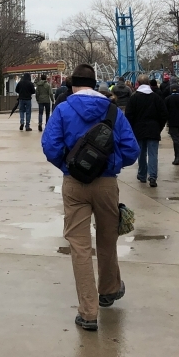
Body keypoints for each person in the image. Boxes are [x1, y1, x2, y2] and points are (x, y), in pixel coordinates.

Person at [41, 63, 139, 332]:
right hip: (107, 183)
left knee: (80, 246)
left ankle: (88, 312)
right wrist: (112, 164)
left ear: (72, 84)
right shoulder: (112, 110)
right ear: (95, 84)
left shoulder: (63, 109)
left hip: (74, 183)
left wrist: (68, 165)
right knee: (108, 238)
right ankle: (108, 290)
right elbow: (132, 150)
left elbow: (50, 146)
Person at [124, 73, 168, 187]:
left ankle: (142, 174)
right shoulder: (156, 98)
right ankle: (152, 176)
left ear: (137, 83)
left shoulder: (134, 98)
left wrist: (131, 128)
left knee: (141, 153)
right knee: (153, 154)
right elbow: (164, 115)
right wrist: (159, 127)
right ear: (148, 83)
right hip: (153, 129)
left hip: (138, 129)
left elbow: (129, 115)